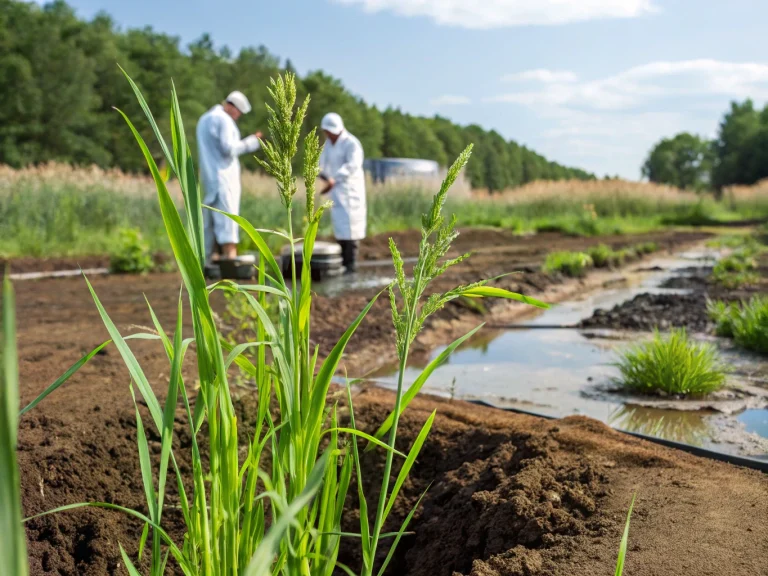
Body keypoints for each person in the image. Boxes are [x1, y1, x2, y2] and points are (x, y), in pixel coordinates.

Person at [197, 91, 262, 262]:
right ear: (231, 106)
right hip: (224, 179)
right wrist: (252, 142)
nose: (238, 116)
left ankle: (206, 265)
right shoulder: (224, 120)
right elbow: (229, 149)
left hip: (209, 179)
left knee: (208, 226)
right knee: (228, 221)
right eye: (238, 112)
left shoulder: (204, 119)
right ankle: (230, 264)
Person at [318, 112, 367, 273]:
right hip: (336, 192)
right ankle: (345, 265)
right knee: (340, 227)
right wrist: (319, 172)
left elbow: (352, 165)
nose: (329, 135)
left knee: (351, 229)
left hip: (350, 191)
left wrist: (335, 178)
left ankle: (351, 265)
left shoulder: (351, 143)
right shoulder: (328, 144)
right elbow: (322, 162)